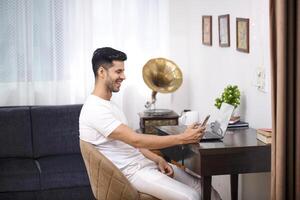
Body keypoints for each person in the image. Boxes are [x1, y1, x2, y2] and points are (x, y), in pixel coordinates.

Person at [79, 47, 221, 200]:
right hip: (134, 173)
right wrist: (183, 138)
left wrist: (157, 159)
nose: (124, 76)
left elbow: (132, 144)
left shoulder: (109, 104)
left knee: (205, 189)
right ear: (101, 72)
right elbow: (135, 139)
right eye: (118, 71)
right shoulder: (94, 109)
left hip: (145, 164)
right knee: (191, 197)